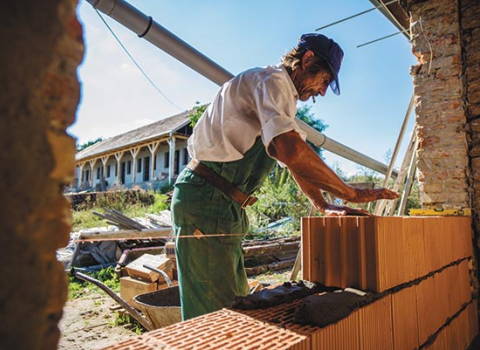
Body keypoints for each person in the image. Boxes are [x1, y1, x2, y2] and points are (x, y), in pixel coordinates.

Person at [171, 33, 399, 320]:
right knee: (216, 315)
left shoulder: (279, 100)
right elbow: (291, 150)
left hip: (223, 203)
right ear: (307, 60)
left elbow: (294, 161)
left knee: (234, 304)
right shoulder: (273, 81)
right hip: (206, 198)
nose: (322, 91)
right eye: (325, 80)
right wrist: (349, 192)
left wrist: (323, 205)